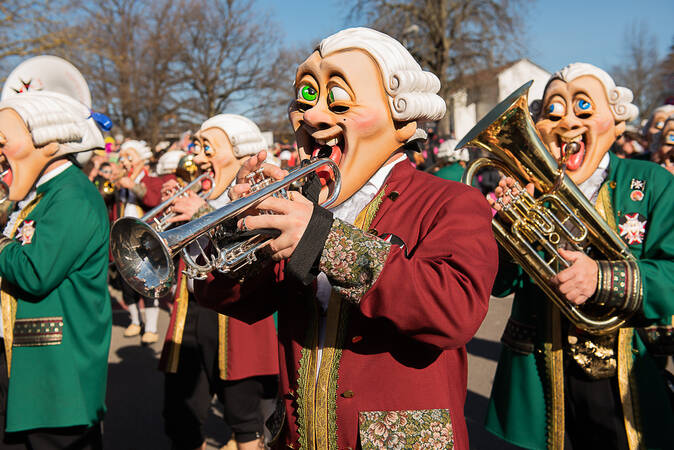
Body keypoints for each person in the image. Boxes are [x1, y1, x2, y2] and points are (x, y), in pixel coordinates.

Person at [194, 27, 498, 449]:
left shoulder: (451, 200)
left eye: (338, 99)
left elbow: (454, 312)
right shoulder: (300, 204)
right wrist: (236, 228)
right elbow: (225, 299)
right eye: (305, 98)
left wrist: (324, 241)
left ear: (401, 116)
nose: (314, 116)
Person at [485, 63, 674, 449]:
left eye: (584, 109)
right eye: (552, 112)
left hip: (628, 374)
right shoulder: (527, 187)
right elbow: (500, 286)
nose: (568, 123)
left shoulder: (651, 182)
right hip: (538, 374)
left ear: (616, 123)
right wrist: (507, 223)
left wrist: (602, 278)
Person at [159, 114, 279, 450]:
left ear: (241, 153)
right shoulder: (202, 192)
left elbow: (252, 254)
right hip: (191, 314)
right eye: (196, 147)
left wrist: (199, 215)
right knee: (179, 416)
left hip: (238, 320)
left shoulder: (261, 193)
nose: (196, 157)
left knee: (245, 418)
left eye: (206, 147)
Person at [0, 91, 111, 448]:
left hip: (58, 373)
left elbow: (35, 272)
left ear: (48, 143)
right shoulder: (48, 193)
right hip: (39, 368)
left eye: (4, 142)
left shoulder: (71, 195)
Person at [115, 139, 175, 343]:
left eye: (129, 157)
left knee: (148, 283)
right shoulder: (120, 183)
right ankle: (134, 321)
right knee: (126, 285)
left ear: (141, 160)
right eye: (122, 158)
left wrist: (133, 186)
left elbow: (153, 200)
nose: (124, 162)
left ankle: (150, 327)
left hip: (144, 240)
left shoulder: (152, 181)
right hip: (125, 239)